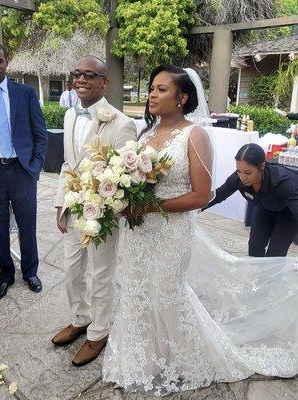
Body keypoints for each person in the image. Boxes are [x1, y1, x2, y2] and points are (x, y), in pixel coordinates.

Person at [102, 65, 298, 396]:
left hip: (171, 232)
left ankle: (187, 359)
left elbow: (200, 194)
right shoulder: (144, 136)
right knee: (136, 290)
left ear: (182, 98)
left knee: (168, 292)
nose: (152, 93)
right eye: (152, 87)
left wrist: (149, 207)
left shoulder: (195, 136)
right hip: (138, 232)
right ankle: (142, 357)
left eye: (161, 89)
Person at [52, 55, 137, 366]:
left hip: (103, 214)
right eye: (77, 73)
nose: (81, 79)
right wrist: (60, 203)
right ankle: (80, 318)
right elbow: (66, 165)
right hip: (74, 208)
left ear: (105, 82)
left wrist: (109, 206)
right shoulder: (70, 116)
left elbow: (126, 178)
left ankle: (98, 332)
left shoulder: (121, 122)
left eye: (90, 74)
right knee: (71, 271)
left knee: (101, 275)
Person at [0, 42, 48, 301]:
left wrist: (34, 165)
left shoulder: (24, 93)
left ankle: (30, 272)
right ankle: (6, 275)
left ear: (7, 61)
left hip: (22, 172)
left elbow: (40, 134)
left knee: (27, 225)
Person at [204, 143, 298, 257]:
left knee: (276, 252)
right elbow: (219, 195)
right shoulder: (238, 179)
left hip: (288, 211)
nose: (242, 177)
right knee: (255, 245)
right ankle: (257, 274)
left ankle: (272, 275)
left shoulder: (283, 182)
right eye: (239, 171)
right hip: (266, 207)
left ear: (262, 167)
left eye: (248, 173)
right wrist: (194, 208)